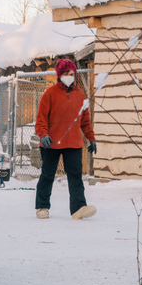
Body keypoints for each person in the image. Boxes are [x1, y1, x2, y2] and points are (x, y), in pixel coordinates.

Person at [34, 59, 97, 220]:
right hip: (51, 142)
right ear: (59, 75)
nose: (70, 76)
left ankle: (78, 208)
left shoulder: (80, 95)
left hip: (73, 143)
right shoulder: (50, 94)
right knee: (48, 174)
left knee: (75, 176)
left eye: (72, 74)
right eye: (67, 74)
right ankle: (42, 206)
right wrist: (43, 134)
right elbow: (41, 119)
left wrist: (91, 138)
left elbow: (85, 121)